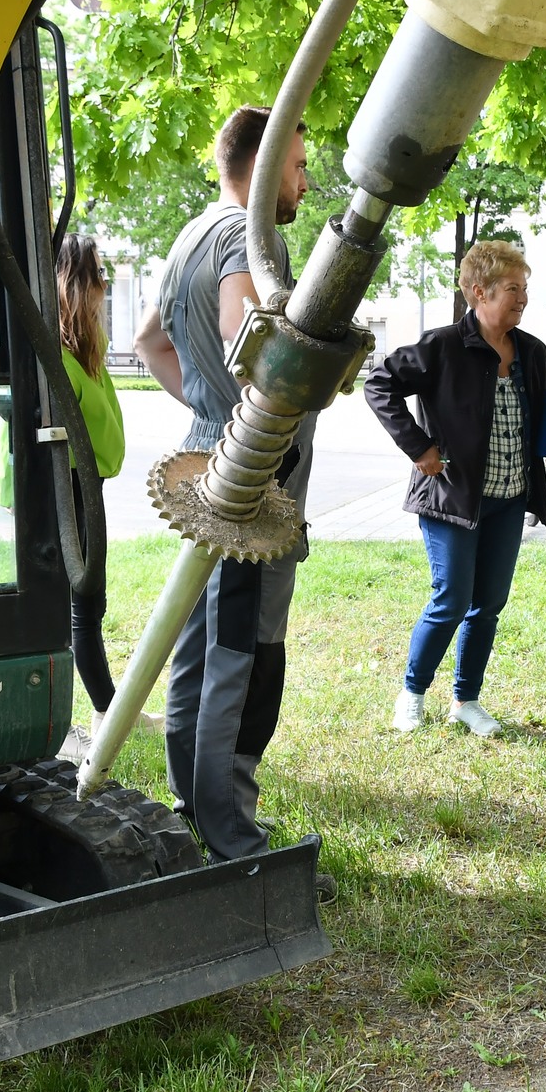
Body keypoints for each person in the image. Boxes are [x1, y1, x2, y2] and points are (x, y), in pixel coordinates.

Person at [133, 105, 315, 866]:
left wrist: (211, 416)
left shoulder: (192, 233)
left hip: (210, 462)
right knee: (244, 654)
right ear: (264, 166)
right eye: (298, 167)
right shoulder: (248, 236)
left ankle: (191, 806)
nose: (304, 183)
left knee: (198, 646)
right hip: (249, 485)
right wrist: (253, 415)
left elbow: (148, 340)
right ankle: (233, 836)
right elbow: (250, 341)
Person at [363, 241, 546, 736]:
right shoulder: (442, 346)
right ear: (480, 292)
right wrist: (419, 446)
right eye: (513, 289)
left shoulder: (532, 351)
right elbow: (379, 385)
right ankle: (412, 694)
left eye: (524, 288)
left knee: (488, 605)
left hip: (510, 499)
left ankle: (466, 700)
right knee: (451, 600)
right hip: (451, 498)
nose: (523, 299)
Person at [0, 235, 126, 759]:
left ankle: (103, 709)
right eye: (98, 275)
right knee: (77, 608)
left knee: (88, 604)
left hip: (83, 487)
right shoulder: (59, 360)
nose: (105, 285)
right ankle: (97, 714)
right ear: (73, 284)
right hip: (64, 491)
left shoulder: (79, 352)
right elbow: (23, 438)